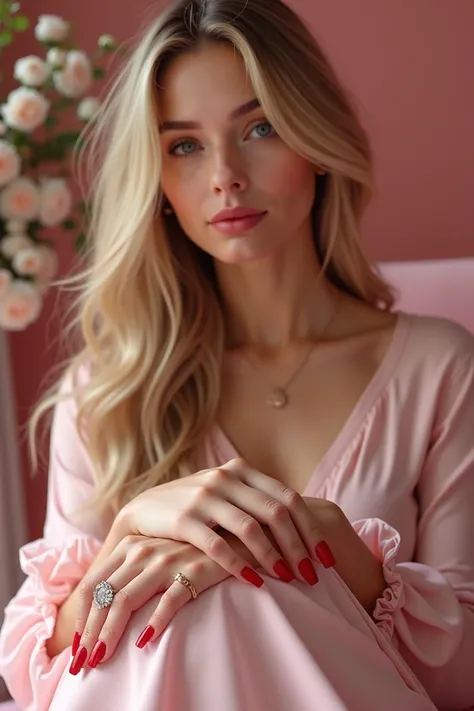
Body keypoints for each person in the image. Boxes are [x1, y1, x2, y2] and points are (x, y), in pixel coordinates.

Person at [0, 0, 473, 709]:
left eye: (259, 127)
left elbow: (464, 670)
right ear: (156, 182)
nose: (224, 174)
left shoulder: (440, 369)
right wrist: (126, 540)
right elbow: (39, 669)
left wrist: (330, 544)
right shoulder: (106, 390)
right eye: (184, 145)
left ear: (314, 139)